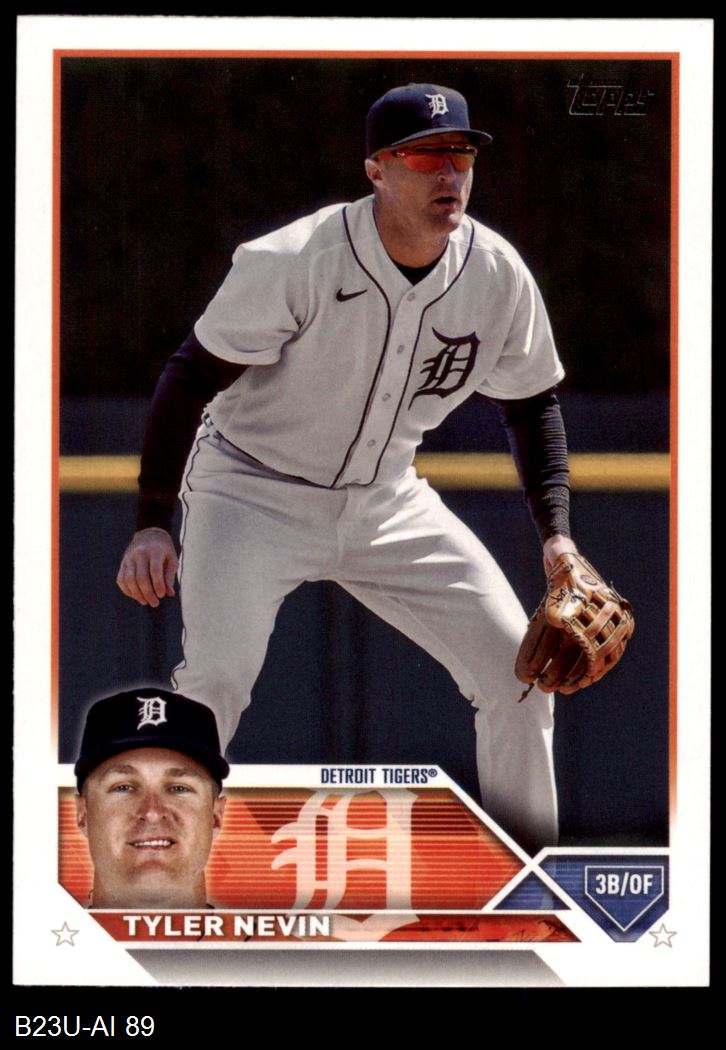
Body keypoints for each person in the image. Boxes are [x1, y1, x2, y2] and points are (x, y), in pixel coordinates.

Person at [116, 82, 578, 853]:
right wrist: (152, 522)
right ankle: (158, 866)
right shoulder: (296, 259)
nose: (449, 173)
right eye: (426, 156)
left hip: (386, 500)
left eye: (461, 155)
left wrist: (556, 534)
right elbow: (190, 375)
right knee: (217, 680)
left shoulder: (496, 274)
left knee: (520, 674)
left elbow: (532, 404)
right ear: (376, 170)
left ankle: (529, 880)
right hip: (250, 490)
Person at [74, 688, 228, 908]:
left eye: (178, 788)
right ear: (83, 815)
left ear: (215, 817)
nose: (152, 811)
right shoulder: (32, 932)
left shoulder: (274, 933)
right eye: (123, 787)